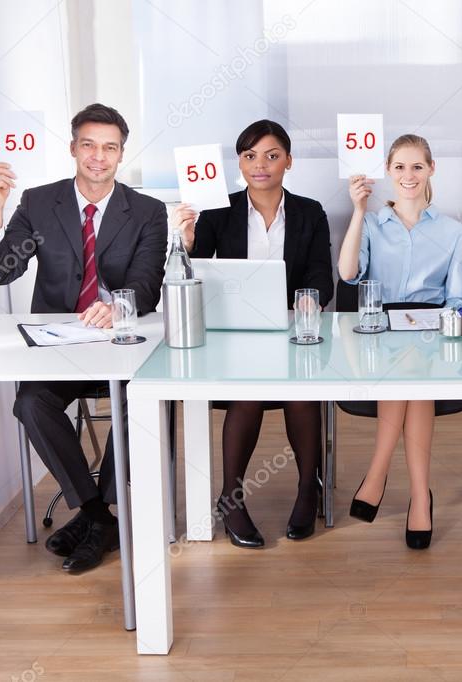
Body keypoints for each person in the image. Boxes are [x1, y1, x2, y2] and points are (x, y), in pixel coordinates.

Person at [0, 103, 167, 572]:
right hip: (59, 346)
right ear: (73, 148)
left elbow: (147, 284)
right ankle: (99, 517)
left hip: (122, 344)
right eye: (89, 145)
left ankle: (93, 518)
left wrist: (117, 304)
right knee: (30, 403)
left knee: (141, 398)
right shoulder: (41, 203)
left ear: (121, 154)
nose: (98, 156)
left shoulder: (146, 210)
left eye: (109, 147)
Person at [175, 119, 333, 547]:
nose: (260, 165)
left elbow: (322, 272)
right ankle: (230, 497)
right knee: (247, 392)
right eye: (249, 156)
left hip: (290, 333)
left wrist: (310, 298)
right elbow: (189, 277)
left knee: (301, 393)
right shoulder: (217, 210)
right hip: (235, 336)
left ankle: (307, 488)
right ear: (239, 163)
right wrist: (187, 242)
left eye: (271, 155)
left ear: (288, 161)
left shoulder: (309, 212)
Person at [338, 134, 462, 549]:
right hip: (377, 337)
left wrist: (425, 325)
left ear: (432, 169)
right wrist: (359, 210)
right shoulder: (372, 224)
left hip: (434, 337)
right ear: (387, 171)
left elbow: (459, 302)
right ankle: (419, 495)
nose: (408, 175)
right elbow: (347, 274)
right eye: (399, 167)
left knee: (414, 368)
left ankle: (378, 474)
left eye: (417, 166)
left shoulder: (455, 233)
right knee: (406, 371)